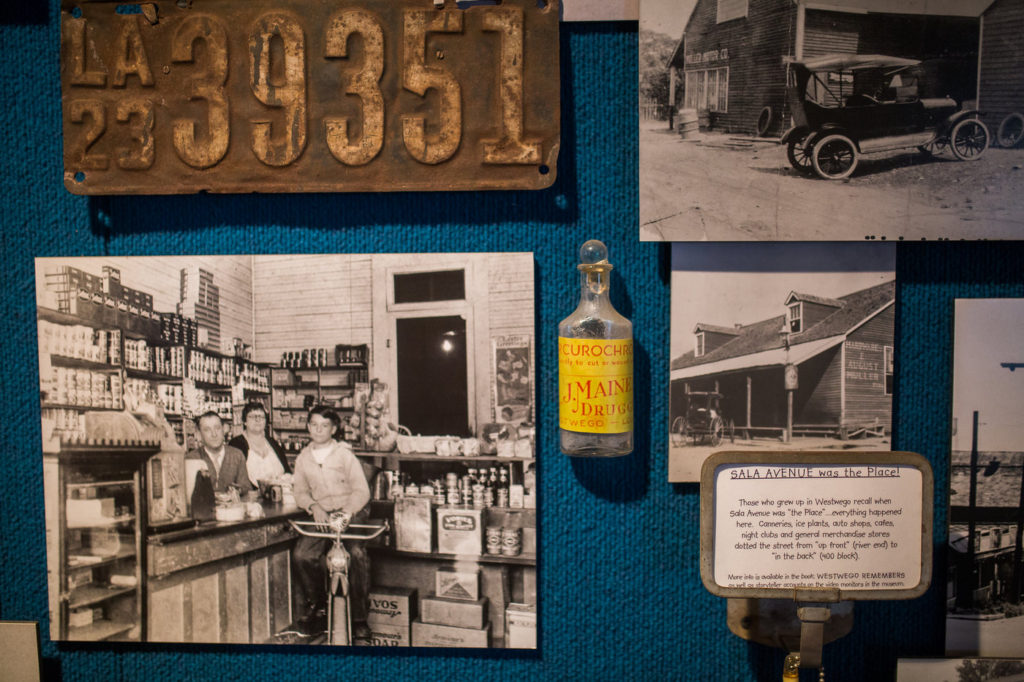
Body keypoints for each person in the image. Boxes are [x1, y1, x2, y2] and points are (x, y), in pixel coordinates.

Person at [291, 406, 371, 639]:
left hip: (351, 511)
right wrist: (313, 506)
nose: (318, 429)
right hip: (322, 513)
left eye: (324, 425)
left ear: (333, 429)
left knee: (355, 555)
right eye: (314, 424)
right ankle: (318, 605)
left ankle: (359, 619)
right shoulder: (303, 458)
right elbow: (300, 492)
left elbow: (361, 490)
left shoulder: (344, 455)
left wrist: (346, 512)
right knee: (302, 555)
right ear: (307, 427)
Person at [187, 411, 253, 494]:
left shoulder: (236, 455)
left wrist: (238, 490)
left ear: (224, 430)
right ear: (199, 435)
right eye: (207, 430)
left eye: (217, 428)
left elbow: (246, 488)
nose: (214, 434)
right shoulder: (192, 458)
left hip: (232, 506)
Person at [228, 402, 290, 487]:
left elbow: (287, 471)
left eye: (261, 416)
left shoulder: (273, 443)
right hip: (250, 498)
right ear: (244, 421)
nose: (258, 420)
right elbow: (233, 479)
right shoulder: (236, 444)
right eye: (253, 416)